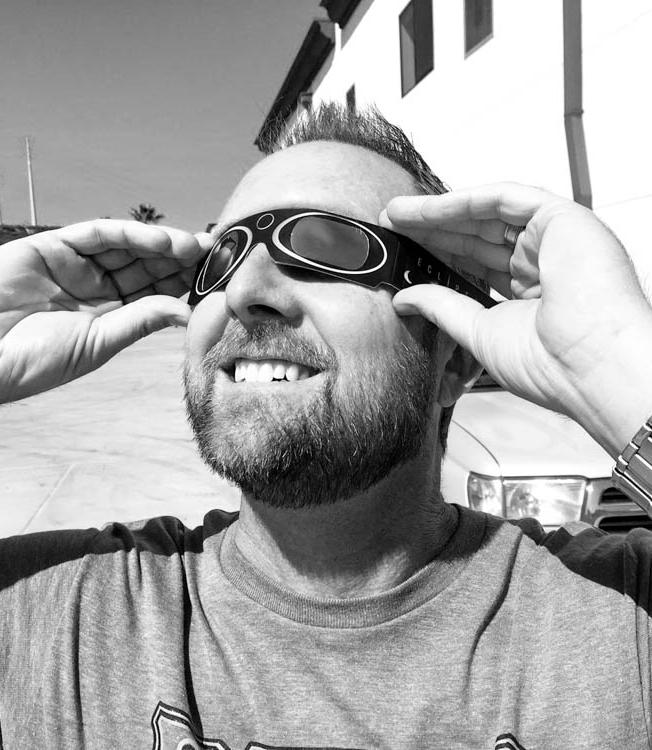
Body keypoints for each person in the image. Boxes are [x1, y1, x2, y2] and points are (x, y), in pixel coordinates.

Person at [1, 104, 652, 749]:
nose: (243, 292)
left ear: (452, 358)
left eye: (325, 247)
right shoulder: (60, 610)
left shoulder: (617, 616)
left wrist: (614, 361)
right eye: (223, 257)